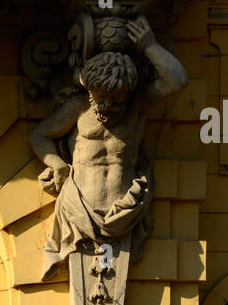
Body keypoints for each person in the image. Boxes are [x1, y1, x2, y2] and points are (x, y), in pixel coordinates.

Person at [28, 15, 187, 280]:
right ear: (89, 90)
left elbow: (177, 81)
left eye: (116, 101)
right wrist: (57, 164)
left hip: (125, 211)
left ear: (127, 93)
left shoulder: (137, 107)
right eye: (101, 99)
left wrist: (149, 45)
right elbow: (39, 135)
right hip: (79, 208)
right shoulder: (79, 109)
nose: (107, 108)